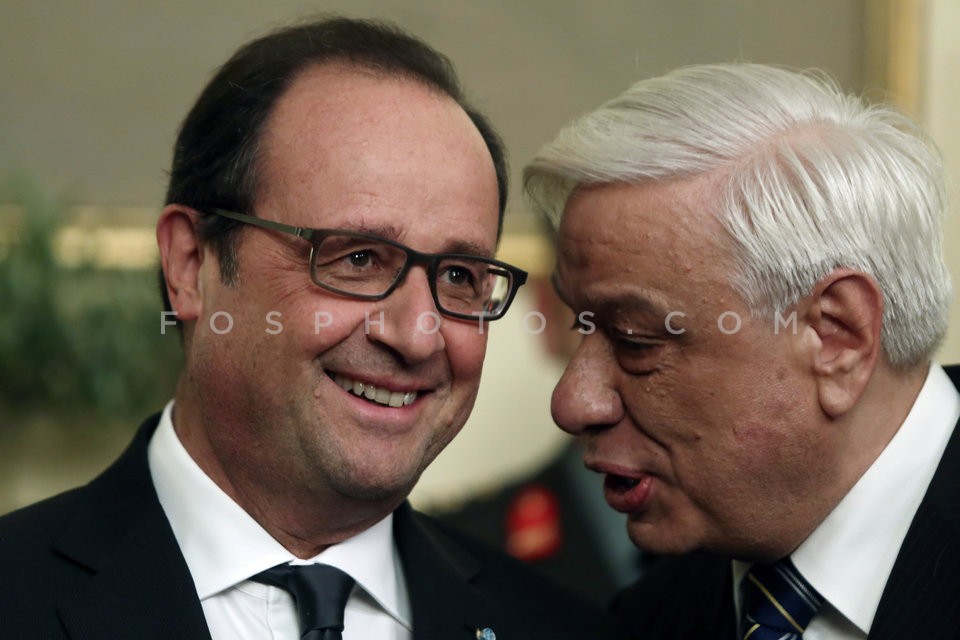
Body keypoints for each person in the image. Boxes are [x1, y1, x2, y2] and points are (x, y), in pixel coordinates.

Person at [0, 17, 627, 640]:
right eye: (357, 259)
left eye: (460, 276)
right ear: (191, 266)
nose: (416, 335)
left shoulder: (556, 627)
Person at [523, 62, 960, 639]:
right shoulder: (649, 617)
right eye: (581, 325)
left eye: (635, 340)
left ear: (838, 336)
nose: (573, 404)